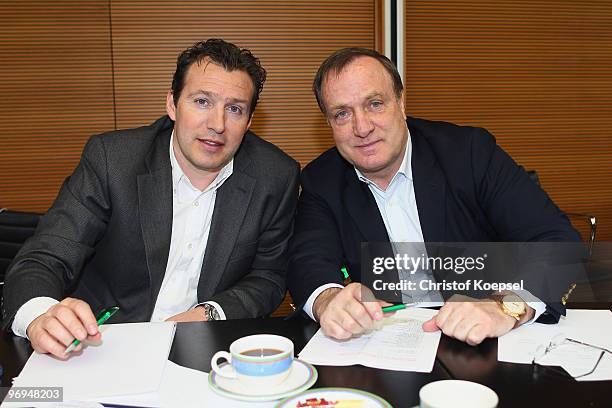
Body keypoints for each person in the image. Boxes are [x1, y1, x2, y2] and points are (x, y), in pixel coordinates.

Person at [2, 39, 300, 358]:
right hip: (103, 344)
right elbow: (45, 257)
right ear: (172, 104)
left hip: (209, 350)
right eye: (201, 101)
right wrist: (39, 316)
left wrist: (212, 312)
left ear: (249, 121)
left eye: (235, 109)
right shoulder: (113, 160)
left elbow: (269, 276)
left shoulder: (276, 176)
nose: (217, 125)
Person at [287, 47, 580, 346]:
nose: (362, 127)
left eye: (374, 104)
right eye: (342, 114)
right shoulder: (321, 179)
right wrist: (329, 299)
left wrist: (506, 305)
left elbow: (557, 241)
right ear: (329, 124)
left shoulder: (469, 153)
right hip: (388, 345)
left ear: (400, 103)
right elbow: (308, 260)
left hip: (484, 339)